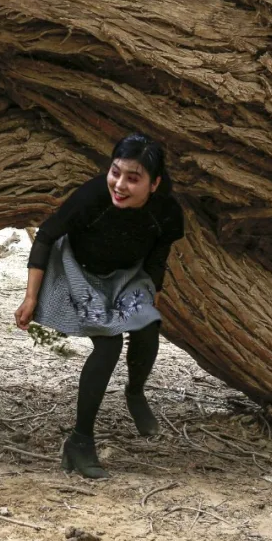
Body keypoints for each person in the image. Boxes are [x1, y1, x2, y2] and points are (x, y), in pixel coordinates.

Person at [15, 133, 185, 479]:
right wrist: (31, 296)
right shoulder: (92, 196)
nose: (119, 185)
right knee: (108, 345)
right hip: (78, 272)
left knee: (147, 326)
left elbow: (158, 252)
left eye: (133, 178)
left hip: (126, 276)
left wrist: (154, 288)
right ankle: (80, 442)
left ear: (154, 184)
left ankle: (135, 393)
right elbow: (46, 236)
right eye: (115, 172)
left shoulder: (166, 211)